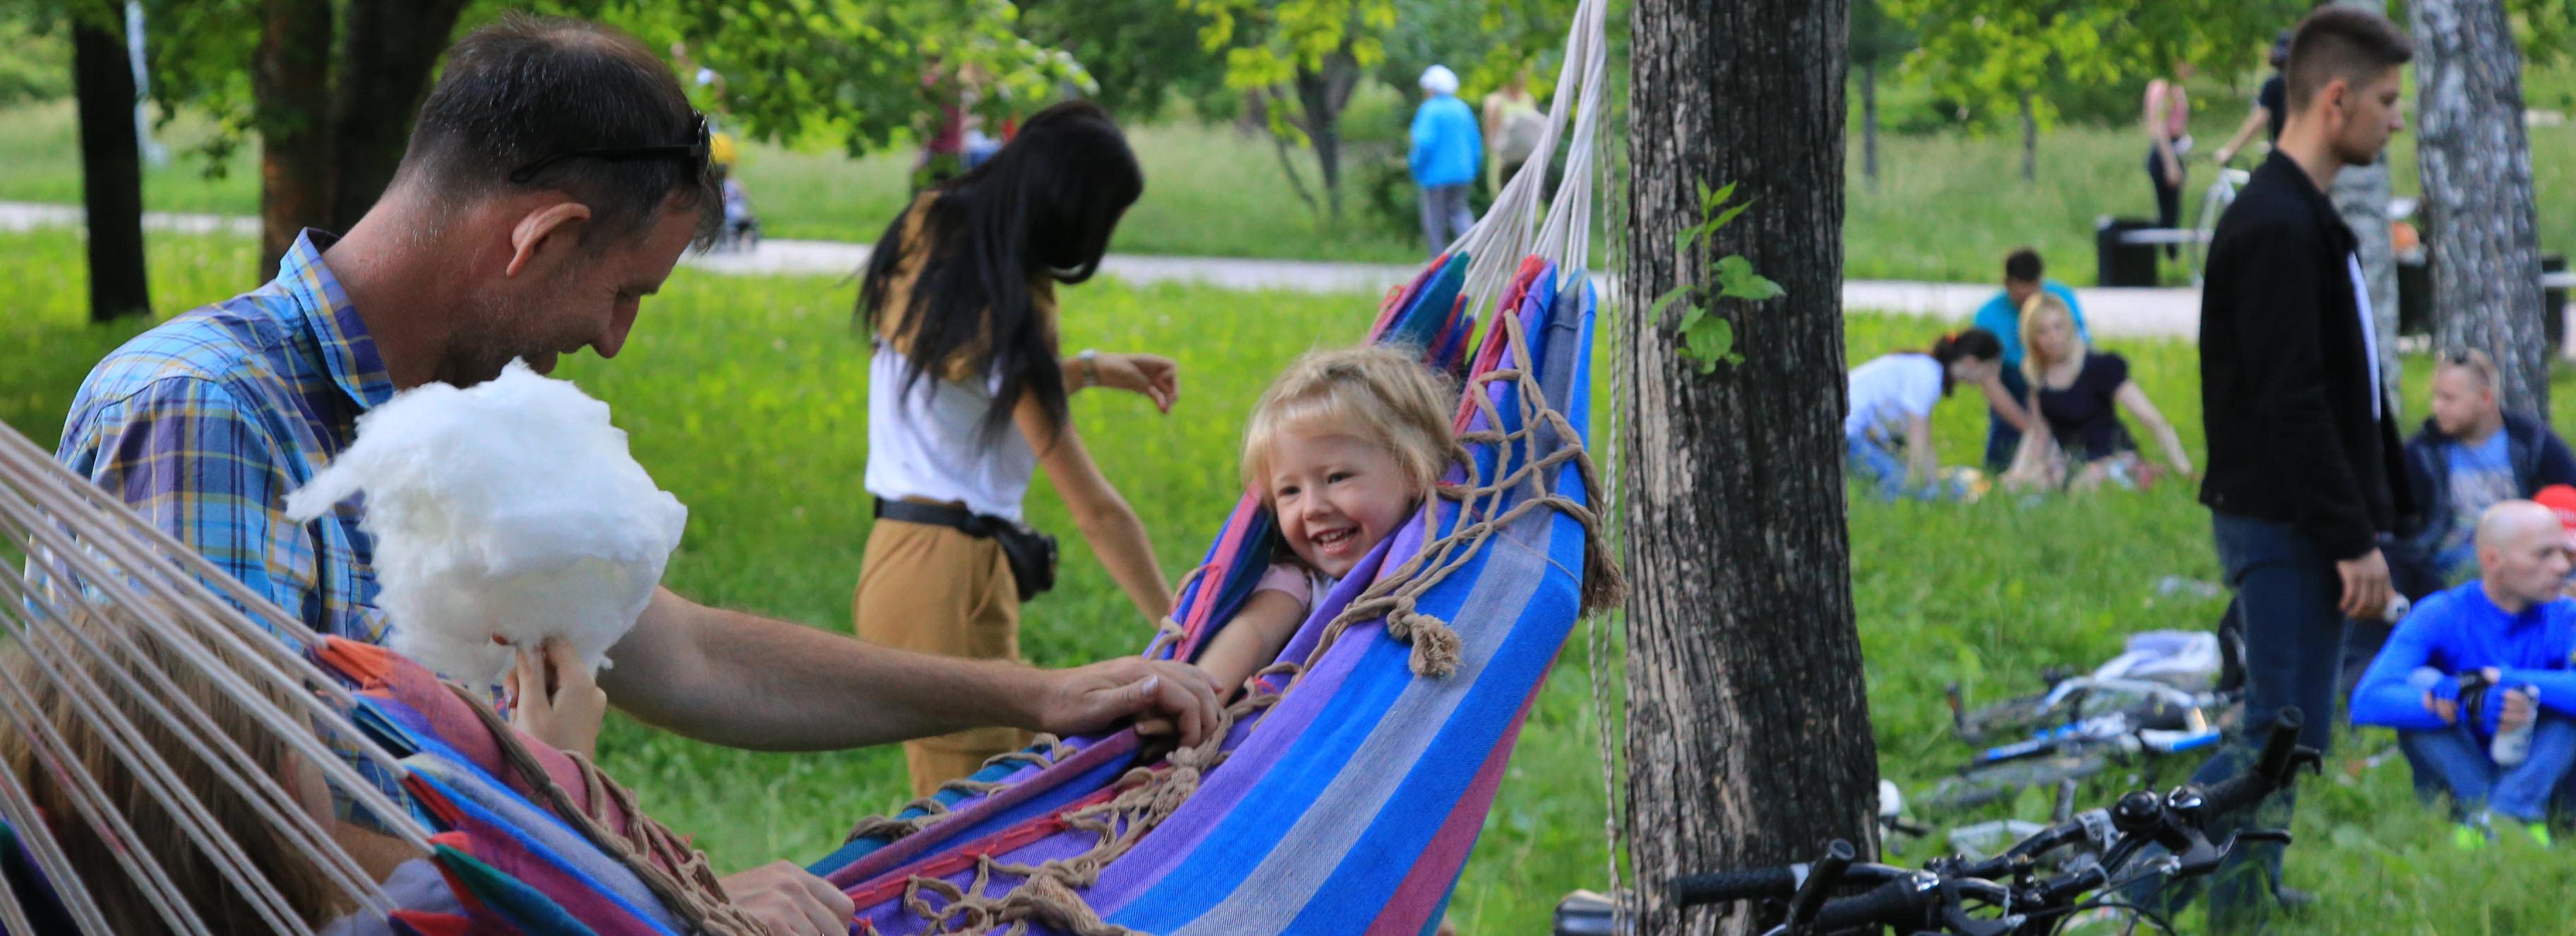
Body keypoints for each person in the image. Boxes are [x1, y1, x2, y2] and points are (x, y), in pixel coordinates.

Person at [52, 18, 1223, 935]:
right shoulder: (206, 411)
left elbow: (688, 651)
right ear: (541, 237)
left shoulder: (445, 424)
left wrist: (1035, 697)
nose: (611, 343)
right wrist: (657, 898)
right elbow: (206, 834)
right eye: (624, 295)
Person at [2164, 8, 2416, 927]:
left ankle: (2247, 890)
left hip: (2310, 516)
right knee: (2273, 728)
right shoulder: (2272, 222)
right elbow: (2293, 400)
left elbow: (2358, 391)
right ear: (2336, 97)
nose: (2397, 120)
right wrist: (2352, 537)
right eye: (2387, 101)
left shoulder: (2307, 214)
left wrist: (2385, 506)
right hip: (2281, 518)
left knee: (2295, 730)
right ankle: (2128, 882)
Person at [856, 100, 1182, 798]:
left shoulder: (933, 243)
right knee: (973, 836)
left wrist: (1090, 367)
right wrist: (1183, 626)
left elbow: (974, 392)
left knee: (1007, 797)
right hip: (954, 578)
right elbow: (1096, 509)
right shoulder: (1007, 314)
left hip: (900, 562)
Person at [0, 603, 448, 935]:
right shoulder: (418, 913)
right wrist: (516, 759)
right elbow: (494, 875)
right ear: (290, 786)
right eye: (309, 721)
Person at [1195, 345, 1458, 691]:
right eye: (1289, 491)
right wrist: (1203, 690)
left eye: (1336, 478)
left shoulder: (1450, 558)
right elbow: (1254, 632)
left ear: (1411, 471)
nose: (1312, 508)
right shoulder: (1301, 584)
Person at [2351, 500, 2576, 846]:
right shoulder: (2442, 612)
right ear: (2492, 561)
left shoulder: (2567, 615)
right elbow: (2366, 701)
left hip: (2546, 779)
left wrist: (2500, 679)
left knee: (2564, 703)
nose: (2563, 566)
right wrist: (2462, 701)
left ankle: (2503, 814)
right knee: (2421, 684)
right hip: (2462, 775)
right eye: (2544, 555)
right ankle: (2489, 815)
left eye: (2564, 553)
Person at [2396, 348, 2576, 585]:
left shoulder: (2531, 442)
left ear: (2485, 398)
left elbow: (2569, 492)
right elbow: (2399, 516)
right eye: (2436, 396)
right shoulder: (2424, 449)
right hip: (2445, 558)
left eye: (2449, 398)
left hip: (2522, 552)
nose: (2437, 407)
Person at [2002, 293, 2194, 492]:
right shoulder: (2037, 378)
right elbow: (2037, 433)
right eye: (2043, 331)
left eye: (2058, 327)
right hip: (2072, 460)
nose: (2053, 337)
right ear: (2032, 338)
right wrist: (2017, 474)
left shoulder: (2099, 367)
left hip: (2112, 455)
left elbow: (2152, 419)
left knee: (2084, 485)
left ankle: (2143, 473)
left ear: (2070, 328)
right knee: (2028, 486)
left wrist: (2183, 468)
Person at [1843, 329, 2006, 501]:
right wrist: (1917, 486)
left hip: (1855, 432)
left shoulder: (1923, 366)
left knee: (1919, 484)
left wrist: (1929, 479)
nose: (1990, 379)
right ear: (1972, 363)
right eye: (1989, 371)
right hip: (1850, 433)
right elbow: (1919, 443)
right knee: (1909, 491)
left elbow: (1924, 444)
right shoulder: (1928, 374)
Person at [1969, 248, 2086, 471]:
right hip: (2014, 380)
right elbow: (1989, 379)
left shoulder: (2061, 300)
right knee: (2000, 461)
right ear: (2007, 285)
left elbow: (2081, 346)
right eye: (2022, 300)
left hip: (2059, 373)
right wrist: (2029, 427)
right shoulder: (1988, 316)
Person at [1409, 64, 1482, 256]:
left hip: (1434, 175)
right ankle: (1472, 254)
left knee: (1435, 218)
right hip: (1463, 173)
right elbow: (1475, 143)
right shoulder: (1462, 108)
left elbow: (1424, 144)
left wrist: (1416, 167)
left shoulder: (1429, 110)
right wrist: (1473, 168)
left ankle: (1437, 261)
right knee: (1460, 213)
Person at [2212, 30, 2294, 168]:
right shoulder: (2309, 84)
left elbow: (2259, 119)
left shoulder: (2275, 83)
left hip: (2286, 158)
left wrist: (2230, 150)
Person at [2145, 59, 2195, 257]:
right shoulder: (2165, 90)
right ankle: (2168, 256)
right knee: (2167, 211)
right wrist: (2171, 165)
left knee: (2173, 210)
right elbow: (2160, 129)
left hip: (2176, 147)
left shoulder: (2175, 89)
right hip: (2165, 153)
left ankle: (2171, 256)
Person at [1481, 69, 1548, 197]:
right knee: (1505, 201)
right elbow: (1492, 138)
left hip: (1529, 161)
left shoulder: (1529, 99)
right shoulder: (1495, 102)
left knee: (1532, 200)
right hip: (1505, 162)